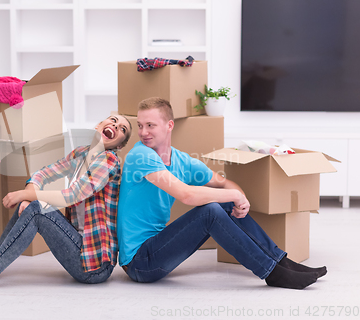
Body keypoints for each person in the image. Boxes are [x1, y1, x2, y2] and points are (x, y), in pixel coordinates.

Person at [117, 97, 326, 289]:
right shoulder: (140, 156)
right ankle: (272, 273)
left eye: (150, 125)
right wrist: (234, 196)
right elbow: (186, 195)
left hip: (157, 247)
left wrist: (240, 199)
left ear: (169, 125)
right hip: (140, 263)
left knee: (222, 204)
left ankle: (281, 262)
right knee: (210, 211)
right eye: (140, 126)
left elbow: (225, 184)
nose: (143, 132)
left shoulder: (182, 161)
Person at [0, 115, 132, 290]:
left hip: (95, 266)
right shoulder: (81, 154)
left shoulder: (109, 160)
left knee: (35, 207)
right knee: (29, 203)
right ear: (98, 125)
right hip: (78, 248)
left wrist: (23, 195)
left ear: (120, 145)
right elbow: (45, 172)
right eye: (113, 121)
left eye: (122, 128)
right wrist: (28, 193)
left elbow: (73, 195)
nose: (116, 126)